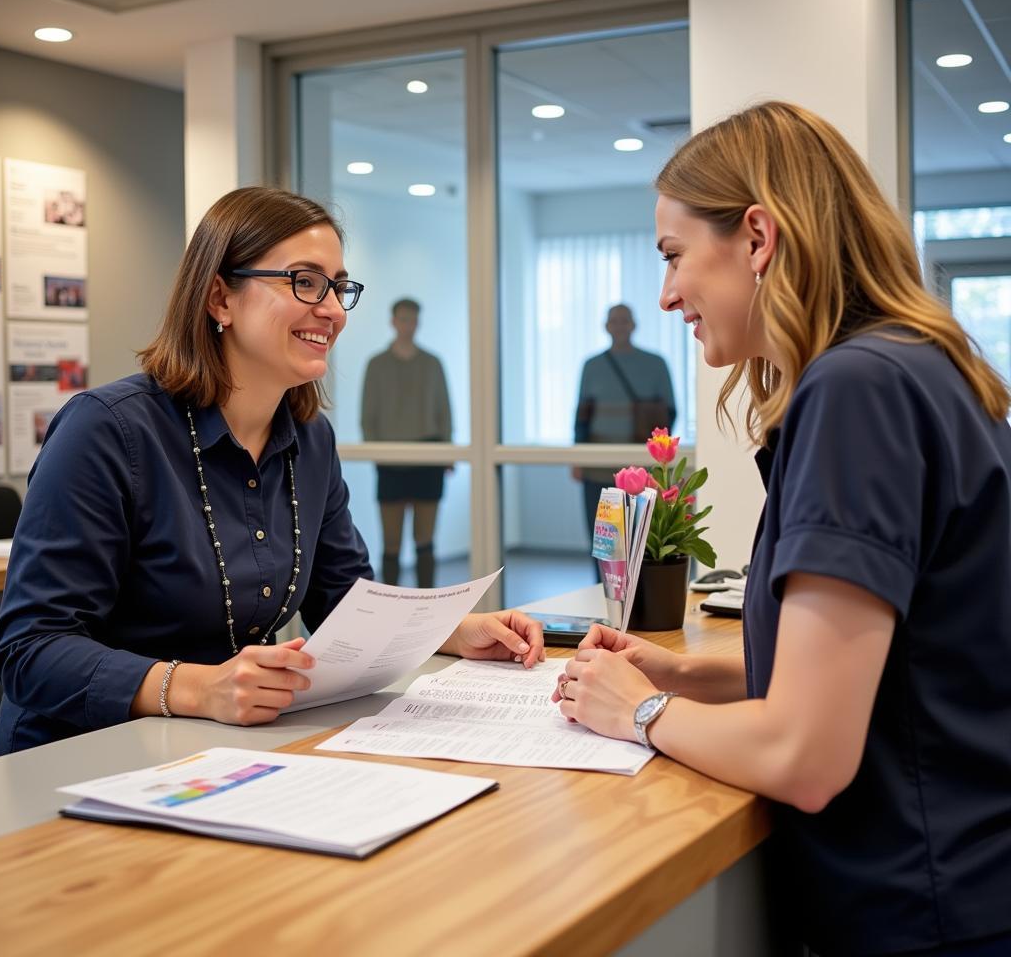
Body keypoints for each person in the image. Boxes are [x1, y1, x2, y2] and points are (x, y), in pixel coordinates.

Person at [553, 102, 1011, 956]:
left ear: (757, 238)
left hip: (927, 909)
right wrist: (688, 675)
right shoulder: (923, 365)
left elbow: (806, 754)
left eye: (674, 256)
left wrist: (642, 711)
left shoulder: (857, 390)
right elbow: (890, 678)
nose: (667, 295)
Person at [0, 187, 543, 758]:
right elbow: (31, 650)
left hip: (210, 753)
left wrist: (452, 632)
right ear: (219, 299)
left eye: (338, 286)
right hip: (67, 761)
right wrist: (201, 687)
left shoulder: (310, 438)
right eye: (304, 281)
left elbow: (344, 599)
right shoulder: (106, 432)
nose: (331, 309)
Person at [361, 298, 452, 587]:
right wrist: (377, 452)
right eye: (403, 319)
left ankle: (428, 605)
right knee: (391, 543)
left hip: (428, 459)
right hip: (391, 462)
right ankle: (391, 606)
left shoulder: (433, 363)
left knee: (425, 541)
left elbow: (445, 411)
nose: (407, 325)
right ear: (393, 321)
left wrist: (447, 452)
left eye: (412, 320)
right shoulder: (376, 365)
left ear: (417, 323)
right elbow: (368, 416)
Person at [572, 303, 676, 534]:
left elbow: (669, 412)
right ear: (606, 326)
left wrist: (660, 459)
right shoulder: (592, 366)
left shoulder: (655, 364)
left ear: (634, 325)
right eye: (614, 321)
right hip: (597, 463)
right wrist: (577, 457)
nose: (620, 326)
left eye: (624, 320)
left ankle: (640, 574)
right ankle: (602, 573)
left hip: (641, 463)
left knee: (642, 535)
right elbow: (582, 415)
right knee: (602, 535)